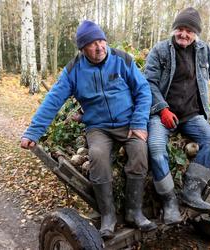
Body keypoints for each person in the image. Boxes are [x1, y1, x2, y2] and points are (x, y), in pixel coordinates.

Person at [20, 20, 157, 239]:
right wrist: (33, 132)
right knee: (97, 155)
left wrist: (139, 122)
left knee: (140, 152)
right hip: (98, 127)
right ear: (83, 49)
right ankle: (108, 215)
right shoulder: (74, 70)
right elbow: (53, 101)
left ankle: (134, 211)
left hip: (128, 122)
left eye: (102, 40)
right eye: (92, 44)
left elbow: (143, 90)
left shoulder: (121, 59)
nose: (100, 47)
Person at [144, 7, 210, 221]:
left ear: (196, 33)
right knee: (155, 147)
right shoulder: (160, 50)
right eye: (180, 29)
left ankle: (191, 191)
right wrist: (162, 109)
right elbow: (149, 83)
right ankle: (169, 200)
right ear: (174, 30)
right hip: (162, 115)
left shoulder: (203, 51)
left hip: (191, 115)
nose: (184, 34)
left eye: (189, 31)